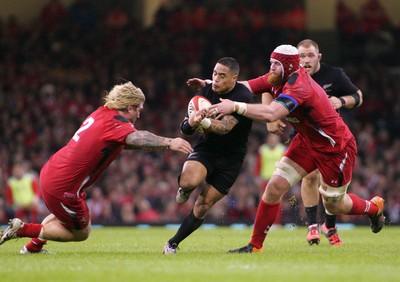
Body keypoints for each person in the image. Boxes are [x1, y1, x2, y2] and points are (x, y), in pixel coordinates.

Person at [209, 44, 385, 253]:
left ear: (288, 66)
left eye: (276, 64)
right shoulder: (277, 76)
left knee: (335, 205)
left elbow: (272, 114)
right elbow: (245, 86)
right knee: (274, 187)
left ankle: (374, 208)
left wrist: (235, 106)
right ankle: (255, 246)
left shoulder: (299, 85)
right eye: (271, 63)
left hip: (335, 148)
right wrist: (208, 85)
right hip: (306, 141)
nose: (271, 68)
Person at [0, 81, 193, 254]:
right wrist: (169, 142)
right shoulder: (116, 124)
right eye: (138, 109)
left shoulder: (102, 113)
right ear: (129, 107)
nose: (140, 114)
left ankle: (33, 248)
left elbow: (126, 142)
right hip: (63, 186)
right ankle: (23, 229)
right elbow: (135, 137)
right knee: (81, 232)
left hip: (52, 171)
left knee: (64, 218)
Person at [162, 57, 253, 254]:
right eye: (214, 74)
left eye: (222, 76)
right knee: (188, 182)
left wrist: (203, 123)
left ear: (234, 78)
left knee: (203, 204)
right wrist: (192, 122)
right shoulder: (207, 91)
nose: (216, 79)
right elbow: (185, 129)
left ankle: (172, 243)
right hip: (207, 149)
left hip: (231, 159)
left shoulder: (243, 97)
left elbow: (224, 128)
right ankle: (184, 189)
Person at [295, 39, 363, 246]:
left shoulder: (334, 74)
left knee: (330, 184)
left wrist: (340, 101)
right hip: (304, 134)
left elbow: (358, 96)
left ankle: (330, 226)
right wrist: (273, 120)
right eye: (302, 56)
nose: (306, 60)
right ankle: (312, 226)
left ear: (319, 57)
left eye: (310, 55)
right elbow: (267, 87)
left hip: (332, 137)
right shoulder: (292, 78)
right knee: (309, 176)